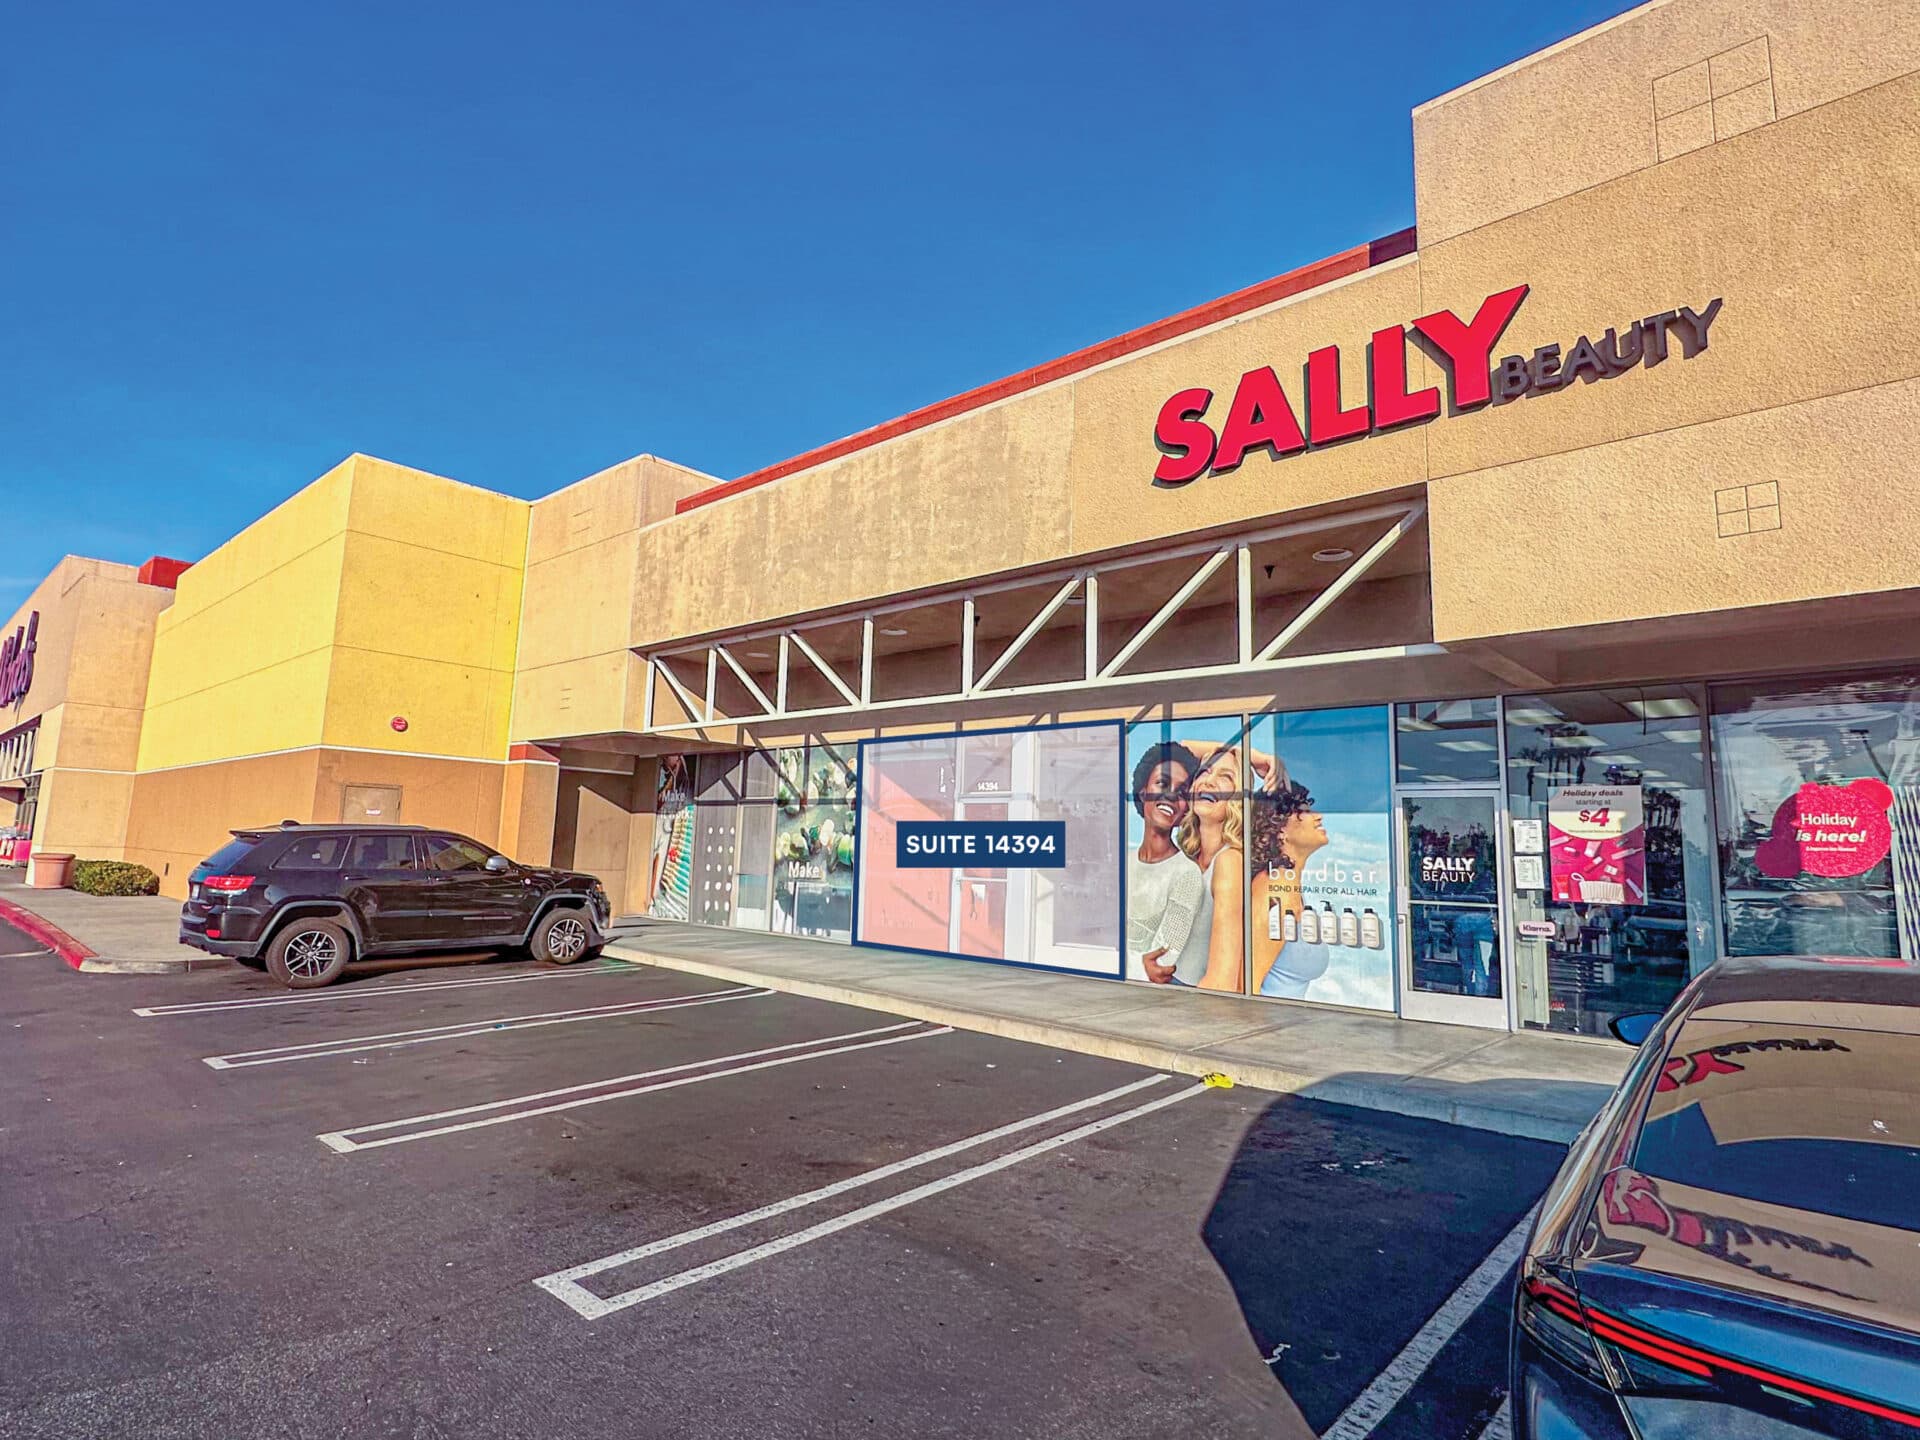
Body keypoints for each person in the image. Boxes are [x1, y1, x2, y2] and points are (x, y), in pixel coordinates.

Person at [1170, 743, 1266, 991]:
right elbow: (1177, 748)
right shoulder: (1189, 854)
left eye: (1226, 777)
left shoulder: (1229, 861)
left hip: (1187, 996)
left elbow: (1222, 981)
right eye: (1205, 772)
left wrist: (1254, 756)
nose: (1209, 781)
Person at [1250, 765, 1334, 998]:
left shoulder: (1287, 886)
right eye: (1305, 812)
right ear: (1279, 829)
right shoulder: (1273, 892)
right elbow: (1248, 986)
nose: (1318, 816)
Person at [1125, 742, 1206, 984]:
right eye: (1162, 783)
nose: (1170, 796)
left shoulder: (1187, 874)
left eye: (1181, 792)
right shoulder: (1122, 863)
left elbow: (1161, 965)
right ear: (1143, 792)